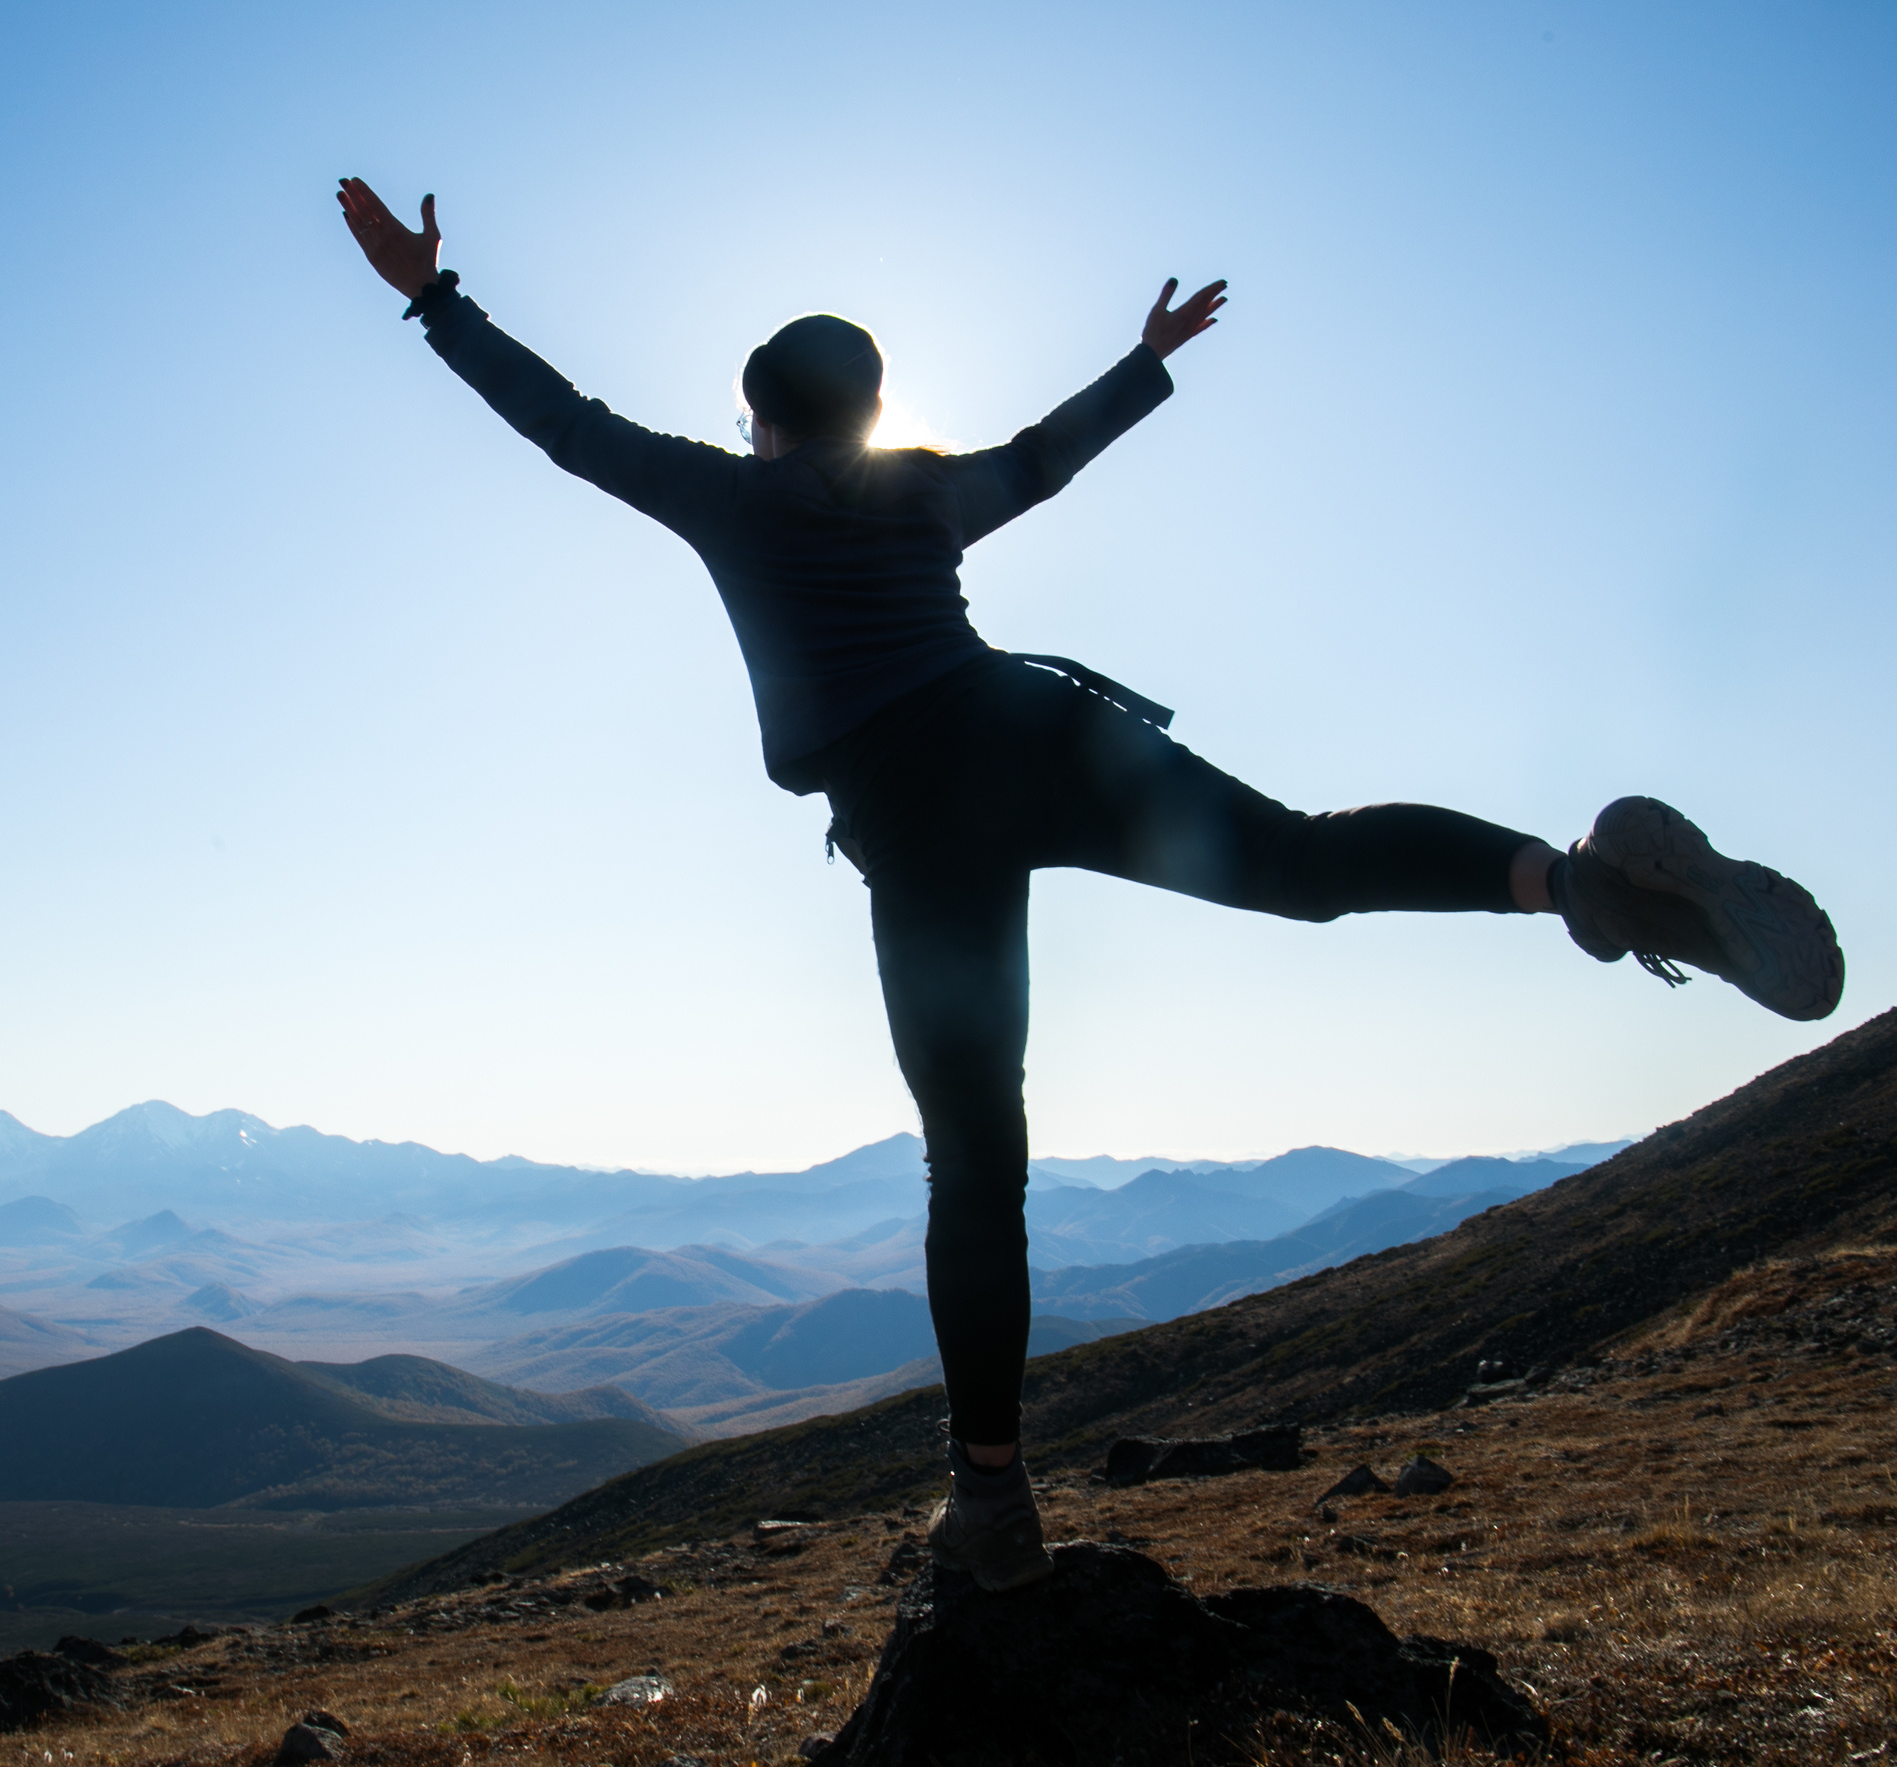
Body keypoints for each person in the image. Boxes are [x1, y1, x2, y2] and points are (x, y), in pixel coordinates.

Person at [334, 177, 1844, 1591]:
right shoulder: (920, 490)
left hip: (924, 831)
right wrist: (1142, 362)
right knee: (1307, 862)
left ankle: (989, 1497)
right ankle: (1577, 880)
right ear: (866, 413)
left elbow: (565, 426)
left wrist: (433, 296)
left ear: (762, 425)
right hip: (1042, 735)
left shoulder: (730, 502)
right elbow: (1044, 461)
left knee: (975, 1168)